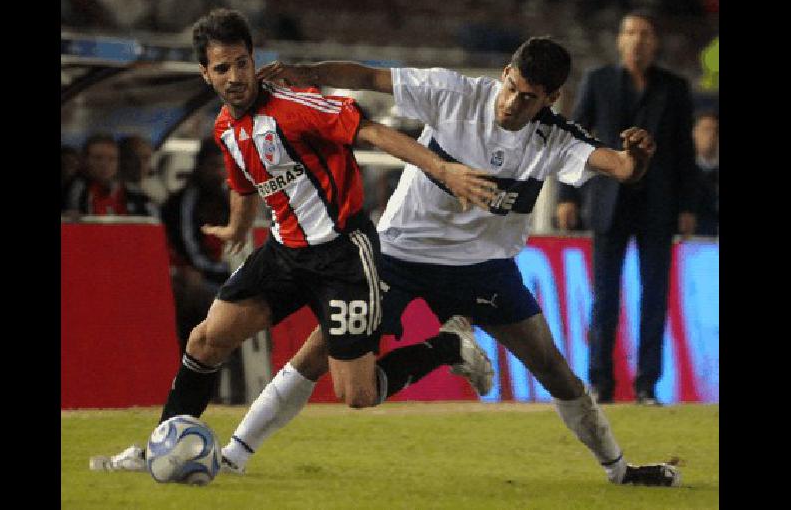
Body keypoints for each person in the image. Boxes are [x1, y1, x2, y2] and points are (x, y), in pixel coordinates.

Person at [215, 36, 680, 486]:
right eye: (511, 87)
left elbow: (619, 168)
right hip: (399, 253)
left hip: (484, 269)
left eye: (528, 97)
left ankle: (620, 470)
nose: (512, 103)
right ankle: (233, 455)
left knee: (552, 367)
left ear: (551, 98)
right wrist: (308, 74)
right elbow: (368, 77)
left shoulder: (553, 138)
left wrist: (635, 159)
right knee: (316, 355)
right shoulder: (454, 93)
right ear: (504, 73)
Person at [89, 8, 497, 472]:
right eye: (222, 68)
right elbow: (243, 184)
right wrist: (238, 228)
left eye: (242, 62)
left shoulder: (296, 105)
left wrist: (443, 170)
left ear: (253, 59)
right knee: (205, 341)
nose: (236, 76)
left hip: (344, 255)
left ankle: (447, 346)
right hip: (284, 254)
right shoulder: (225, 128)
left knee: (358, 394)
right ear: (206, 74)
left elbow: (371, 130)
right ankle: (163, 446)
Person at [555, 10, 698, 405]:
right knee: (605, 296)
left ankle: (647, 385)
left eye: (645, 33)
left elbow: (684, 153)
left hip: (660, 204)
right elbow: (572, 138)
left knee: (654, 296)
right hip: (607, 200)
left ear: (655, 42)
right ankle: (600, 383)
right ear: (620, 40)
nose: (637, 40)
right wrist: (568, 196)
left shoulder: (675, 88)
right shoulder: (598, 81)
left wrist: (687, 205)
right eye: (630, 32)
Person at [161, 136, 244, 403]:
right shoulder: (184, 201)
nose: (218, 172)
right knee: (212, 314)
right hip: (192, 280)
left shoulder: (229, 197)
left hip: (222, 278)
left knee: (246, 316)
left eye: (223, 167)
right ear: (199, 165)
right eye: (213, 166)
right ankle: (200, 393)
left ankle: (236, 395)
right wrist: (224, 273)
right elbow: (190, 250)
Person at [62, 133, 159, 217]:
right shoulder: (73, 190)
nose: (104, 164)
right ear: (84, 160)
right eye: (98, 158)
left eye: (112, 159)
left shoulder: (133, 193)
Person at [692, 111, 718, 236]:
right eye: (706, 130)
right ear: (694, 133)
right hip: (692, 242)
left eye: (716, 131)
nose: (712, 135)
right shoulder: (683, 177)